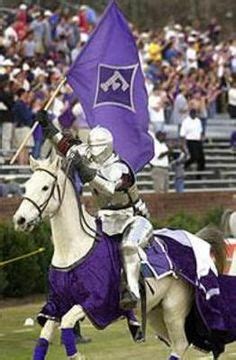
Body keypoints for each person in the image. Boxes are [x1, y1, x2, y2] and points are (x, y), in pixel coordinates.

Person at [36, 110, 153, 311]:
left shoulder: (121, 168)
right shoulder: (87, 154)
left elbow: (108, 189)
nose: (95, 152)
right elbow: (65, 145)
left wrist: (87, 173)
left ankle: (131, 292)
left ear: (108, 147)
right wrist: (48, 126)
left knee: (128, 247)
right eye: (92, 147)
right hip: (104, 218)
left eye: (98, 148)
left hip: (131, 217)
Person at [180, 107, 205, 178]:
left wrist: (202, 137)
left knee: (202, 159)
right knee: (194, 156)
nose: (194, 115)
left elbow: (200, 131)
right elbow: (182, 134)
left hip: (198, 141)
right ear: (190, 114)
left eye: (195, 114)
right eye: (193, 114)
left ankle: (199, 175)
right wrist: (182, 145)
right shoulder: (186, 121)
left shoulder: (198, 121)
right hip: (190, 141)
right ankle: (185, 165)